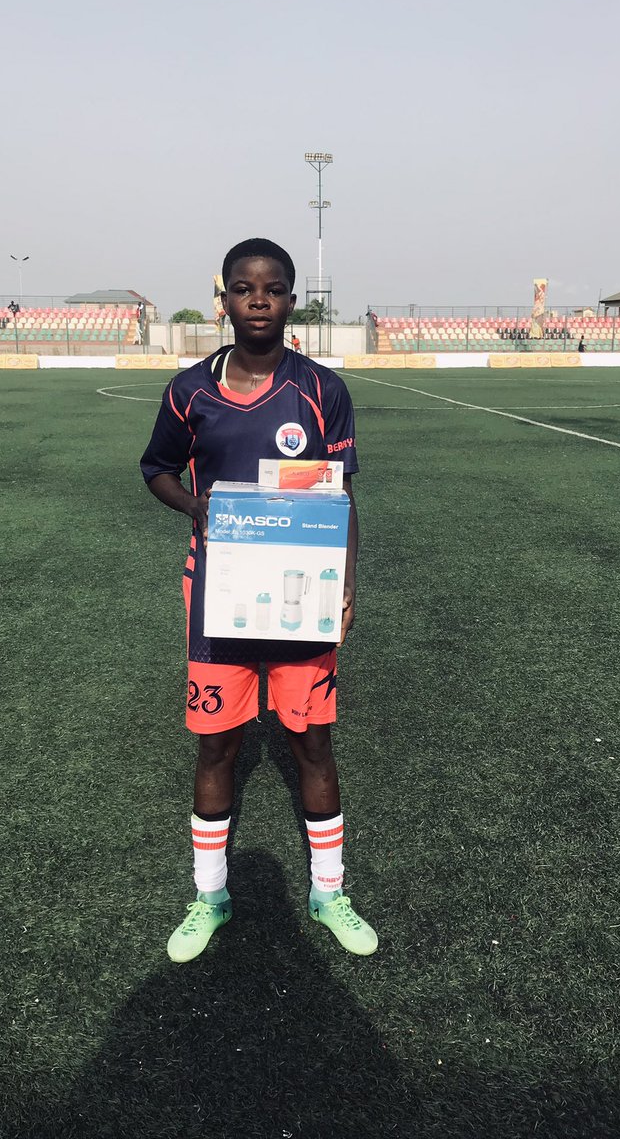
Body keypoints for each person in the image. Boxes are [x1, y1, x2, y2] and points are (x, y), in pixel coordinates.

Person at [141, 237, 377, 964]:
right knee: (218, 743)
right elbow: (154, 469)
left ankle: (329, 890)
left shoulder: (320, 389)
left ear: (291, 299)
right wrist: (197, 508)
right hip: (221, 598)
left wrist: (347, 584)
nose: (258, 300)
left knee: (312, 740)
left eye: (273, 288)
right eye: (244, 288)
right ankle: (209, 895)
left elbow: (340, 497)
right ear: (225, 299)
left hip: (301, 599)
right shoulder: (190, 390)